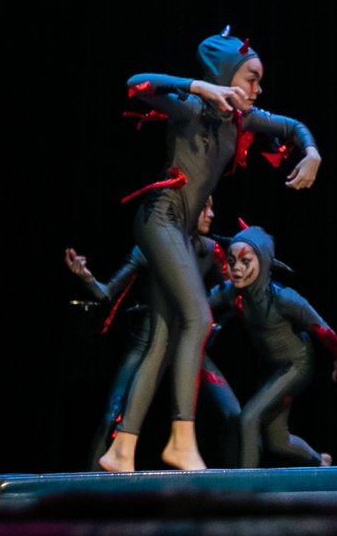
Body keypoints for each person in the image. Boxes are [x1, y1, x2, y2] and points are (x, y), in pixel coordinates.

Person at [109, 29, 322, 471]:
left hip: (181, 230)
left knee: (166, 335)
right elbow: (135, 83)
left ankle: (122, 448)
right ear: (226, 76)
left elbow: (293, 127)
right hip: (159, 218)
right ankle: (181, 439)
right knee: (200, 318)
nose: (257, 89)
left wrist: (313, 152)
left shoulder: (242, 120)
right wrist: (198, 86)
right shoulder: (190, 110)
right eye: (250, 78)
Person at [64, 195, 238, 468]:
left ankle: (231, 492)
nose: (211, 214)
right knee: (112, 418)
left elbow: (229, 295)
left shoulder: (210, 250)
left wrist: (217, 321)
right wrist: (86, 277)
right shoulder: (150, 248)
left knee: (232, 413)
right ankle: (91, 493)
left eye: (212, 206)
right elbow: (107, 292)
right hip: (148, 344)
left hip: (187, 346)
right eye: (204, 206)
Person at [209, 223, 337, 468]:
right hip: (269, 366)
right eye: (232, 262)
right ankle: (320, 461)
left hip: (297, 364)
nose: (237, 269)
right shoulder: (230, 292)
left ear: (263, 262)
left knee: (248, 418)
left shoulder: (285, 298)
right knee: (277, 441)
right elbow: (198, 307)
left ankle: (245, 493)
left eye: (246, 261)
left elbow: (321, 327)